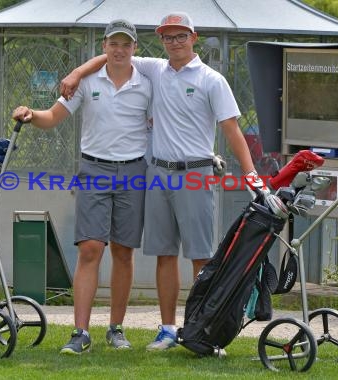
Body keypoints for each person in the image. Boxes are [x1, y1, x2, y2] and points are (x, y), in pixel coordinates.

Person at [60, 11, 268, 352]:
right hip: (156, 174)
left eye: (180, 36)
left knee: (201, 257)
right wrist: (77, 72)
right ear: (161, 41)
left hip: (196, 173)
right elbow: (112, 52)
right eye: (168, 37)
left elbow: (231, 129)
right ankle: (169, 329)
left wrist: (251, 175)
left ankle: (205, 329)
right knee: (165, 255)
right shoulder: (154, 68)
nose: (174, 42)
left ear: (193, 38)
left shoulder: (211, 79)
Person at [12, 19, 152, 355]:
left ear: (135, 48)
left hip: (134, 172)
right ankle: (80, 332)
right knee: (90, 248)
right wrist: (32, 113)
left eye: (126, 44)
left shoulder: (148, 82)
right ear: (104, 46)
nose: (119, 50)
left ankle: (116, 329)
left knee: (122, 250)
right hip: (94, 169)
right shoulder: (87, 82)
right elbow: (53, 117)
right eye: (113, 44)